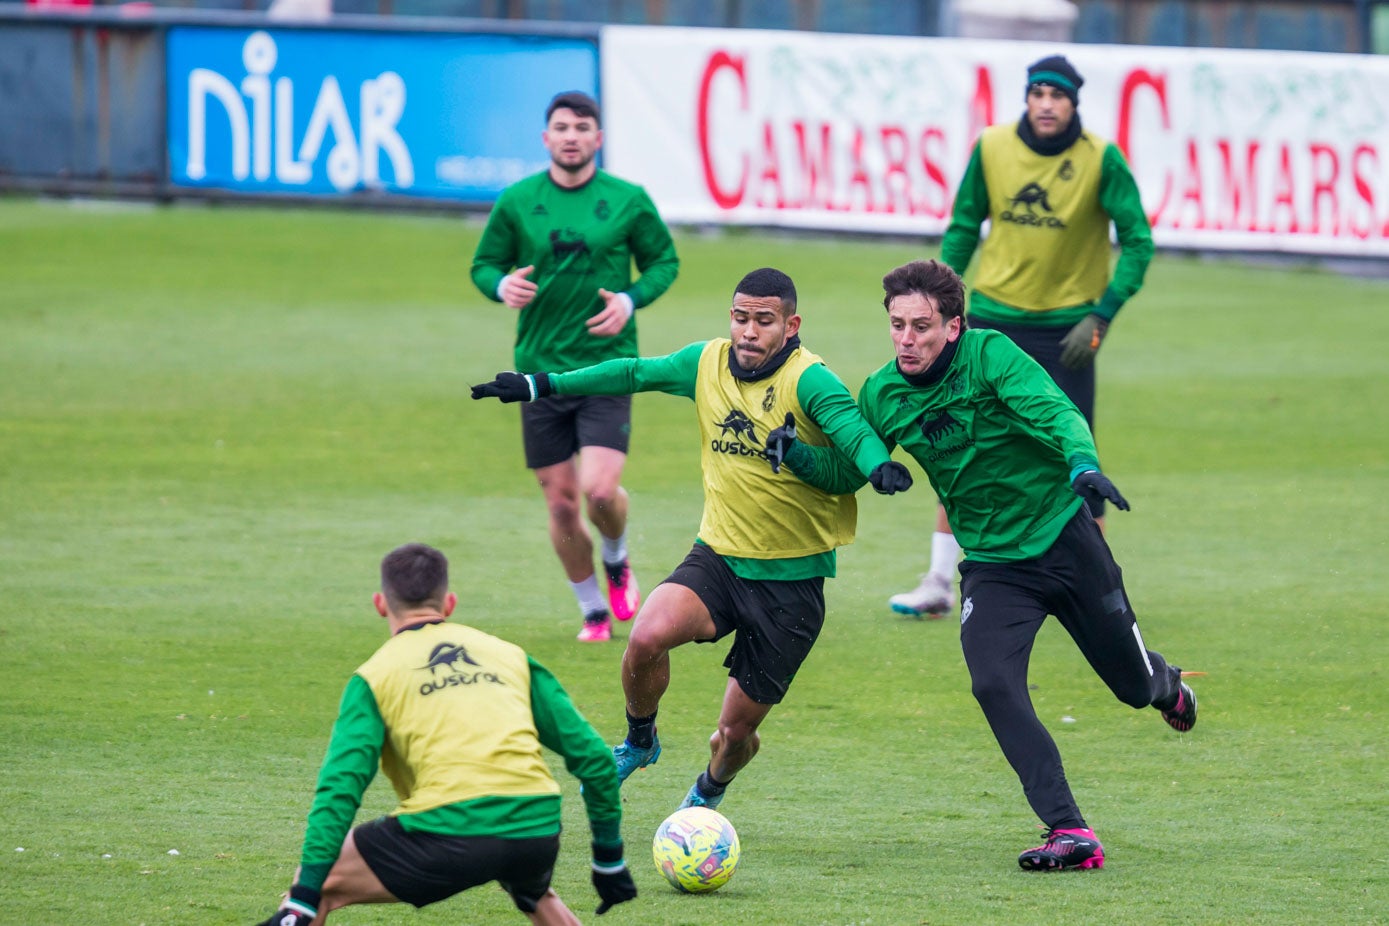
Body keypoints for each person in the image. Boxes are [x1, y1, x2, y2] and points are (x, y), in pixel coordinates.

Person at [767, 260, 1195, 871]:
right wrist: (798, 457)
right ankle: (1070, 830)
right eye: (897, 326)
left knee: (1132, 689)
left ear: (954, 327)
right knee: (993, 682)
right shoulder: (883, 393)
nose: (907, 340)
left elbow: (1057, 411)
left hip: (1064, 540)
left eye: (921, 326)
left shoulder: (991, 355)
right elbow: (845, 470)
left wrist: (1082, 464)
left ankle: (1164, 682)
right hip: (995, 567)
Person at [471, 267, 913, 812]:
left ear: (791, 325)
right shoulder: (705, 363)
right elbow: (634, 372)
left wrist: (877, 466)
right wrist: (543, 384)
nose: (748, 332)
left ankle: (709, 789)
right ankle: (639, 741)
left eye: (764, 321)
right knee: (645, 638)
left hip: (791, 584)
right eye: (740, 318)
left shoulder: (809, 380)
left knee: (733, 737)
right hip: (719, 558)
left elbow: (849, 428)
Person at [890, 54, 1154, 618]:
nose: (1047, 103)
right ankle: (939, 580)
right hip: (990, 321)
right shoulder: (991, 148)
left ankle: (1103, 595)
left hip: (1069, 332)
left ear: (1073, 103)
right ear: (1027, 99)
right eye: (1038, 93)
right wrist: (944, 304)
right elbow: (964, 225)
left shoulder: (1101, 160)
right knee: (959, 442)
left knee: (1074, 449)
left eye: (1057, 95)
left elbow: (1138, 241)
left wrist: (1102, 315)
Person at [253, 543, 636, 926]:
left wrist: (304, 897)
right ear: (449, 604)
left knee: (315, 888)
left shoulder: (374, 676)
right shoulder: (509, 656)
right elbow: (596, 760)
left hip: (447, 832)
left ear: (381, 605)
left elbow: (340, 789)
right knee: (530, 888)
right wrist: (608, 859)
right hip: (535, 827)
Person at [471, 90, 680, 643]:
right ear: (546, 138)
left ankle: (616, 555)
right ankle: (592, 610)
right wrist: (500, 284)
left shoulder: (629, 199)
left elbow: (664, 261)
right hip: (538, 375)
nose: (570, 136)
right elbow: (484, 263)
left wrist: (630, 300)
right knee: (561, 504)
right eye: (560, 127)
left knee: (600, 493)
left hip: (607, 368)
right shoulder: (518, 200)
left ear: (598, 138)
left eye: (581, 127)